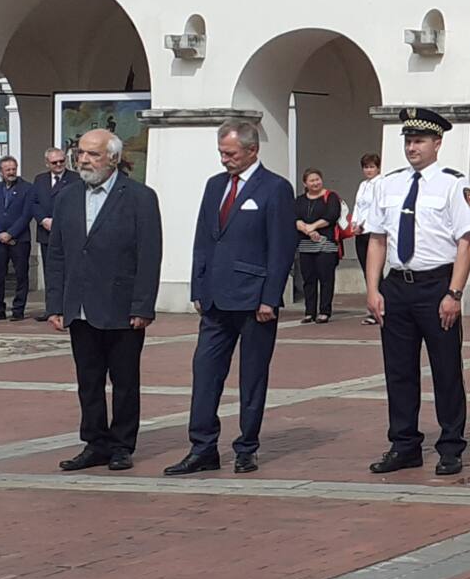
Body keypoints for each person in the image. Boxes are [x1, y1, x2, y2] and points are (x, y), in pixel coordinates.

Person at [168, 122, 297, 477]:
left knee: (252, 376)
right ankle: (202, 447)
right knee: (205, 371)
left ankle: (246, 446)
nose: (225, 160)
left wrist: (270, 297)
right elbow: (203, 239)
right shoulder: (214, 186)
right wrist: (198, 286)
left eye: (231, 154)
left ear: (252, 150)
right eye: (222, 153)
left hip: (255, 299)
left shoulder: (274, 188)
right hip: (214, 298)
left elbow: (281, 247)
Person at [364, 109, 470, 477]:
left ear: (437, 144)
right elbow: (377, 240)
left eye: (420, 141)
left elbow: (466, 242)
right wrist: (373, 289)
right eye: (408, 141)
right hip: (397, 286)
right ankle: (404, 444)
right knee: (398, 371)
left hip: (436, 286)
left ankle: (450, 446)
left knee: (445, 370)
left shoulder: (452, 184)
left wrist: (454, 293)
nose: (412, 147)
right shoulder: (388, 184)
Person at [46, 130, 162, 472]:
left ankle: (122, 445)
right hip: (80, 307)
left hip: (122, 306)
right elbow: (57, 255)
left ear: (112, 158)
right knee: (89, 380)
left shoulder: (139, 197)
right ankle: (95, 442)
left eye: (93, 155)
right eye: (80, 153)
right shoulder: (67, 197)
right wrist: (56, 305)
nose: (83, 160)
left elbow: (149, 254)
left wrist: (143, 306)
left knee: (124, 381)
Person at [29, 147, 79, 321]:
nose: (58, 165)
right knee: (51, 272)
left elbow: (77, 204)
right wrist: (43, 219)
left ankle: (67, 308)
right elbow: (33, 203)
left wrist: (59, 222)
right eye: (54, 162)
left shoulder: (75, 179)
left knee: (68, 271)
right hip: (46, 232)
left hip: (67, 233)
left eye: (61, 161)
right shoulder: (40, 179)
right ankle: (52, 309)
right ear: (47, 163)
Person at [293, 168, 344, 323]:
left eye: (317, 179)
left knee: (326, 278)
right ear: (305, 183)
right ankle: (309, 311)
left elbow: (331, 215)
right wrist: (308, 231)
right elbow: (294, 217)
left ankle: (325, 311)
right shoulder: (300, 200)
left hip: (326, 243)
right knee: (308, 278)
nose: (315, 183)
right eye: (312, 180)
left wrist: (313, 226)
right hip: (305, 244)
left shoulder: (331, 197)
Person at [0, 157, 33, 321]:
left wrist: (11, 233)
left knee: (21, 275)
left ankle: (18, 309)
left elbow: (27, 214)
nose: (12, 172)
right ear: (1, 172)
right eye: (8, 170)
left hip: (20, 239)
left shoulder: (27, 188)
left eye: (14, 169)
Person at [347, 152, 382, 323]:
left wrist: (364, 225)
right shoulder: (363, 185)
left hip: (372, 232)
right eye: (366, 167)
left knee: (375, 271)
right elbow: (358, 205)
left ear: (378, 168)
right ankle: (371, 306)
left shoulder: (380, 184)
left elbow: (376, 208)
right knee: (366, 271)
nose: (369, 170)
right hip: (360, 232)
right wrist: (354, 223)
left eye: (372, 167)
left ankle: (380, 309)